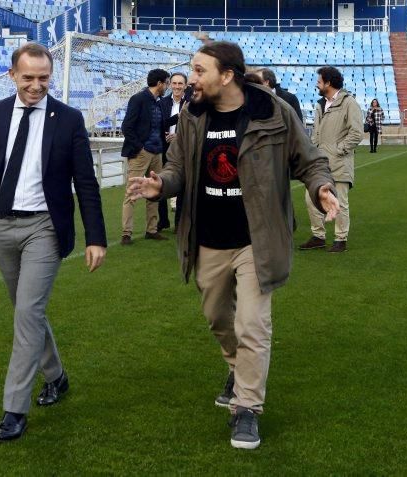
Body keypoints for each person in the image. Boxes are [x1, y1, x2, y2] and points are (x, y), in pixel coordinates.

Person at [126, 41, 339, 450]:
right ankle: (239, 368)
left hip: (256, 238)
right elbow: (176, 169)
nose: (192, 78)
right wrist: (160, 186)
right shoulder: (191, 115)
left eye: (200, 70)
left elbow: (309, 160)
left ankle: (247, 409)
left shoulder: (274, 113)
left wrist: (322, 188)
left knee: (252, 325)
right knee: (218, 319)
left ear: (227, 75)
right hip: (207, 238)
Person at [0, 42, 108, 443]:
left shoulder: (68, 119)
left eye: (44, 78)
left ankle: (14, 408)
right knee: (26, 312)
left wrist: (96, 238)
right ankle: (57, 376)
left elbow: (85, 181)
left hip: (45, 229)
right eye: (29, 77)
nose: (36, 86)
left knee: (27, 314)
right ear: (13, 75)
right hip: (1, 226)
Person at [298, 66, 364, 254]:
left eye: (319, 81)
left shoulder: (349, 103)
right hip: (319, 165)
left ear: (328, 83)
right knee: (311, 199)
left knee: (340, 202)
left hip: (340, 162)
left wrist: (339, 150)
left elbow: (357, 132)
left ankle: (340, 239)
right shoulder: (320, 104)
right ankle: (318, 236)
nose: (316, 84)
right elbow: (316, 133)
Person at [120, 68, 170, 245]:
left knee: (155, 191)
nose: (168, 86)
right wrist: (140, 148)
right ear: (159, 84)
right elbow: (127, 126)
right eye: (166, 83)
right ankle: (126, 233)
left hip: (157, 153)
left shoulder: (159, 102)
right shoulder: (138, 99)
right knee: (132, 192)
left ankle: (152, 229)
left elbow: (159, 125)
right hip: (142, 153)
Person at [158, 72, 189, 232]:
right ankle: (163, 221)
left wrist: (178, 135)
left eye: (180, 83)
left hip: (182, 150)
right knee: (160, 182)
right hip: (163, 147)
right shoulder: (162, 103)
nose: (177, 86)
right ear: (170, 84)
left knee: (182, 185)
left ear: (185, 85)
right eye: (174, 83)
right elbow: (158, 123)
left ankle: (179, 223)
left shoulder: (191, 103)